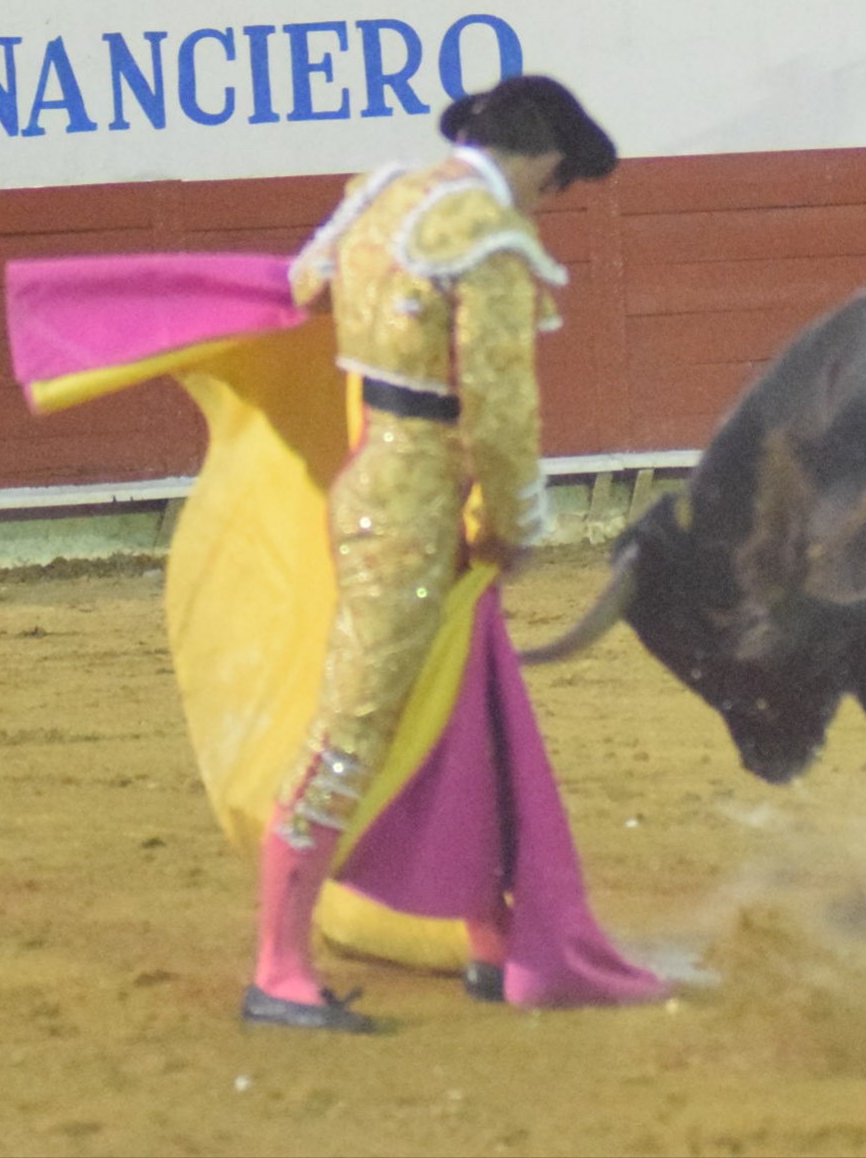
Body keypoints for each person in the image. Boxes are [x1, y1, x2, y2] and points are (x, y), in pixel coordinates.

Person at [243, 75, 620, 1032]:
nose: (546, 203)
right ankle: (277, 970)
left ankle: (492, 932)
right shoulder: (487, 236)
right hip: (419, 511)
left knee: (467, 703)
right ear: (539, 156)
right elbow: (501, 412)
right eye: (554, 183)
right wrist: (512, 527)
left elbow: (301, 286)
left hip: (372, 469)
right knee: (356, 724)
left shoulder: (381, 194)